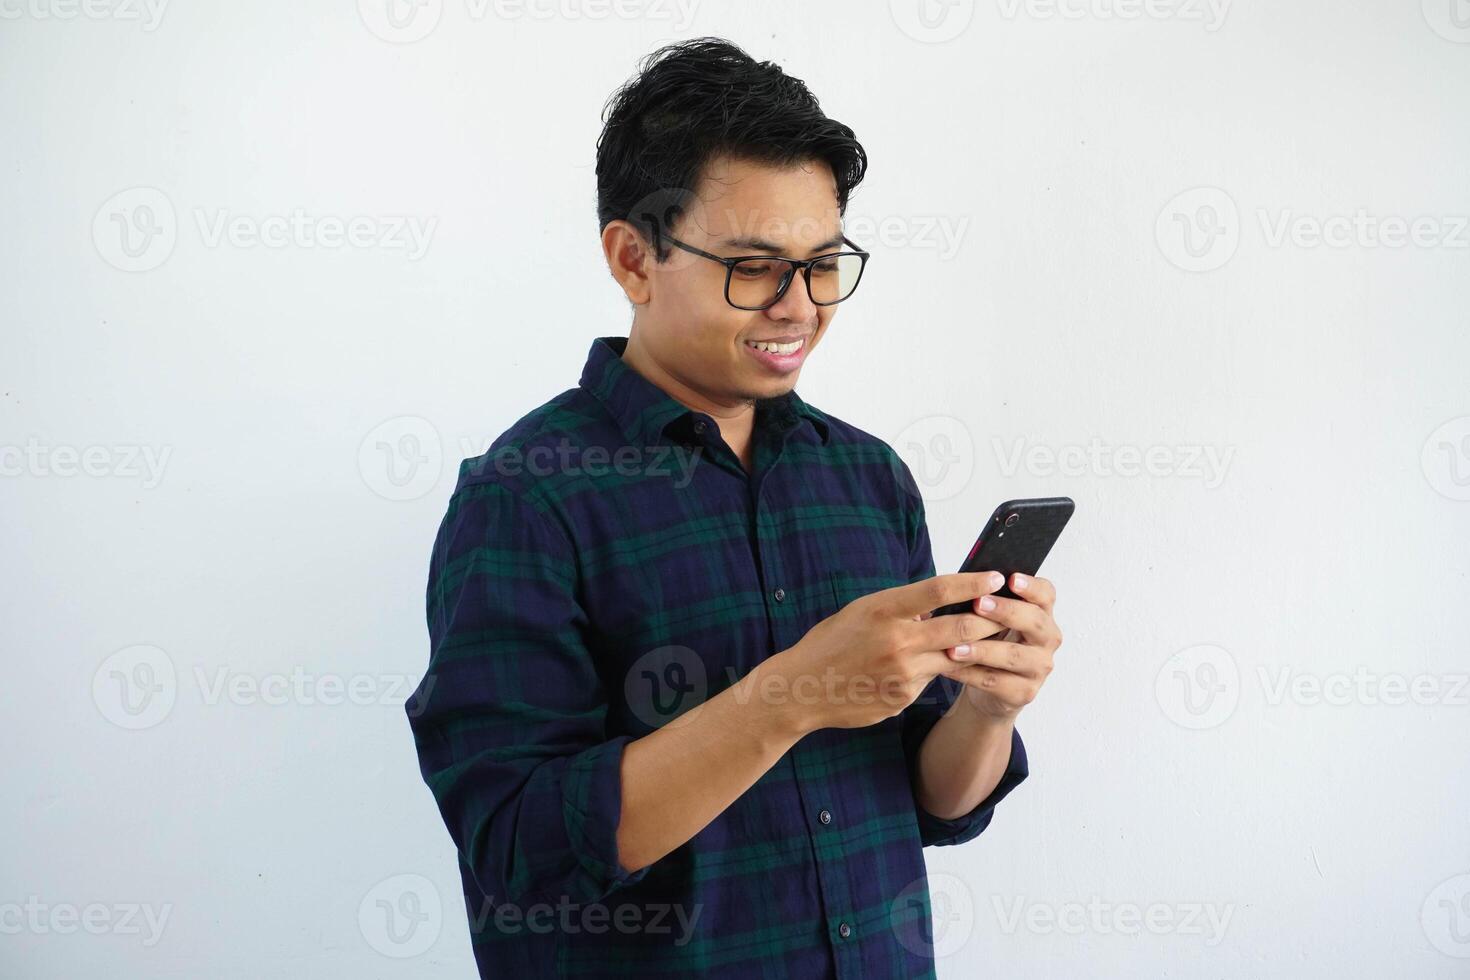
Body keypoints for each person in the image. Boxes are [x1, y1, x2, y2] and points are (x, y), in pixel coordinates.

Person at [405, 35, 1063, 978]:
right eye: (753, 266)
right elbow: (519, 850)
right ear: (634, 259)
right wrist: (792, 694)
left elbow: (934, 803)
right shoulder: (525, 498)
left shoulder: (868, 479)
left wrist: (991, 710)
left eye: (824, 262)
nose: (799, 307)